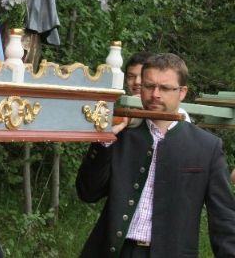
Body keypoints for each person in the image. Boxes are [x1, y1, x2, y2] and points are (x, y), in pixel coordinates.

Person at [75, 53, 235, 257]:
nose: (155, 94)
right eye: (149, 86)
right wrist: (104, 140)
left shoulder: (206, 147)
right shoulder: (122, 134)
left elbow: (224, 219)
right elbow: (88, 193)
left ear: (182, 92)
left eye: (165, 88)